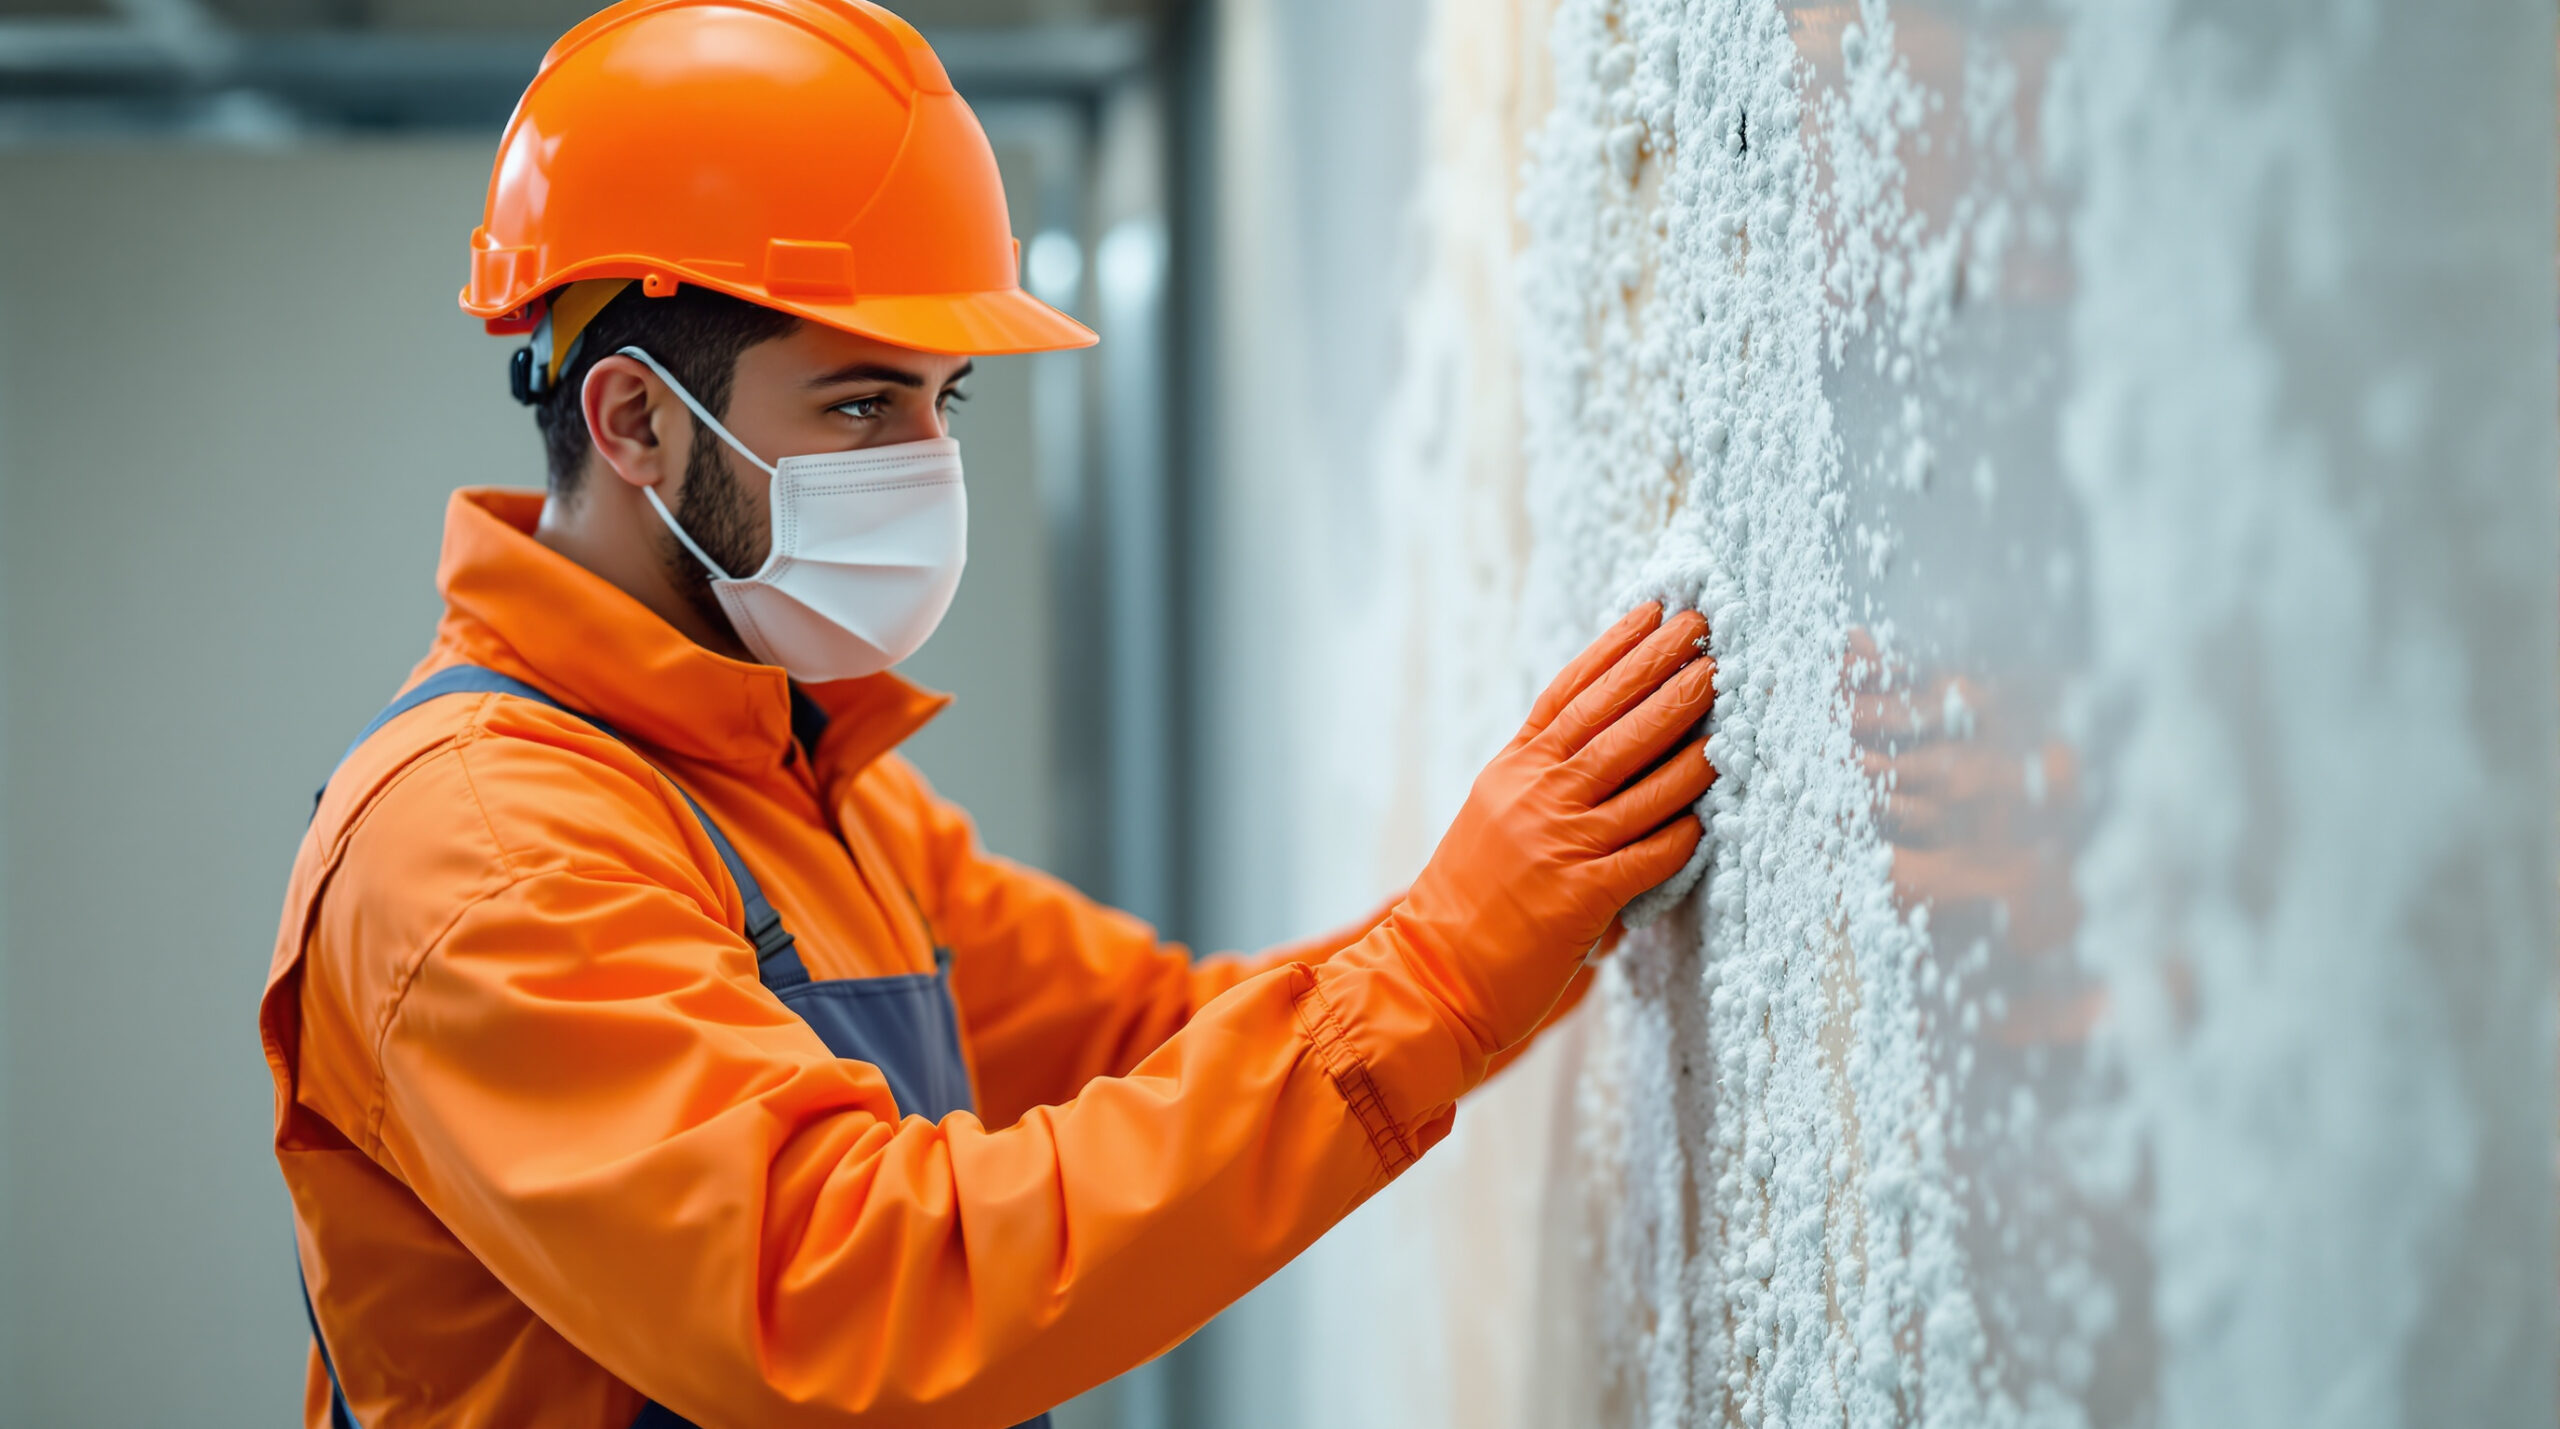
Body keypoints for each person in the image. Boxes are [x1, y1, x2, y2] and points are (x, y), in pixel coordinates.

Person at [256, 3, 1717, 1425]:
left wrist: (1544, 914)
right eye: (858, 406)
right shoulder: (485, 852)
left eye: (943, 402)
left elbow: (1156, 1037)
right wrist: (1446, 968)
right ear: (633, 420)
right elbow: (847, 1291)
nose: (928, 464)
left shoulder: (800, 780)